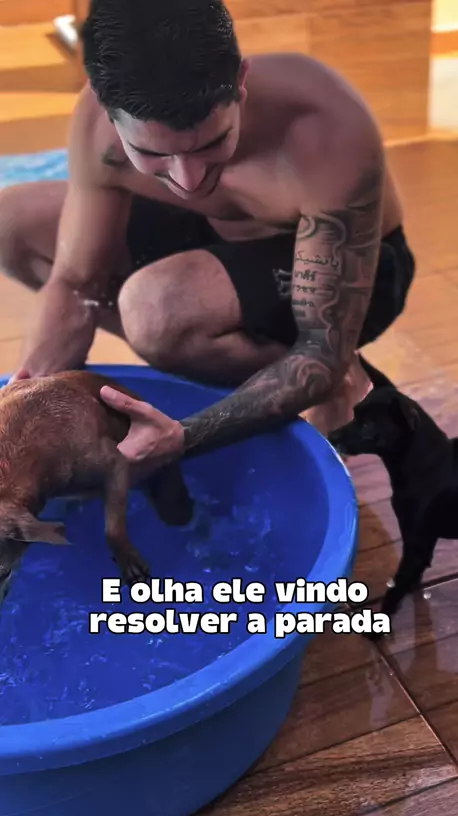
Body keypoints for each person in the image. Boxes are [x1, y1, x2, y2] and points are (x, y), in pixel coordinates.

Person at [0, 0, 414, 477]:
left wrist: (185, 436)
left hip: (356, 273)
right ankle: (256, 364)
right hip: (214, 237)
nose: (189, 180)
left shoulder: (321, 128)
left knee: (155, 310)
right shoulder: (97, 124)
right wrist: (29, 400)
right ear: (108, 111)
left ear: (241, 82)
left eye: (213, 143)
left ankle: (335, 382)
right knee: (13, 222)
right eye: (153, 153)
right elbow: (77, 285)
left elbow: (321, 347)